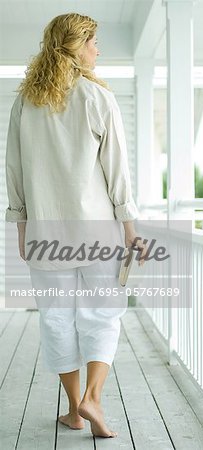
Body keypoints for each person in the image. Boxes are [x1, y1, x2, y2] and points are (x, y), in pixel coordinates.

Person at [5, 13, 147, 438]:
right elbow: (117, 171)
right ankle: (94, 399)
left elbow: (13, 170)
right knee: (103, 315)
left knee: (55, 319)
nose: (98, 50)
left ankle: (74, 409)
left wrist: (20, 226)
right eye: (93, 42)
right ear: (76, 45)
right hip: (99, 231)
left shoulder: (25, 102)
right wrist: (130, 227)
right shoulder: (97, 97)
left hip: (47, 234)